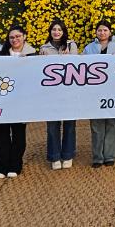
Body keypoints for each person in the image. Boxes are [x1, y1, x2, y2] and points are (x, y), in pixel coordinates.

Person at [0, 25, 37, 179]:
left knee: (18, 134)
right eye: (11, 37)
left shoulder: (33, 55)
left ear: (24, 36)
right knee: (0, 134)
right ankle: (0, 166)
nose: (15, 39)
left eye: (18, 36)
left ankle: (15, 165)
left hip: (21, 101)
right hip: (1, 99)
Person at [83, 20, 115, 168]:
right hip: (95, 92)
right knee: (96, 125)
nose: (102, 33)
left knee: (112, 124)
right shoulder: (89, 48)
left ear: (110, 32)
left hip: (114, 91)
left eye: (105, 30)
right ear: (96, 32)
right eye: (99, 30)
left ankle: (109, 156)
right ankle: (97, 157)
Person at [40, 20, 78, 170]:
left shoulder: (71, 45)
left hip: (69, 92)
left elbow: (76, 66)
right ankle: (54, 156)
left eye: (59, 30)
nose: (56, 32)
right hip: (51, 94)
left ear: (63, 32)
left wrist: (67, 57)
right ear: (50, 32)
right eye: (54, 29)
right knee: (52, 126)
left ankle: (68, 155)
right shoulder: (44, 48)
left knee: (69, 125)